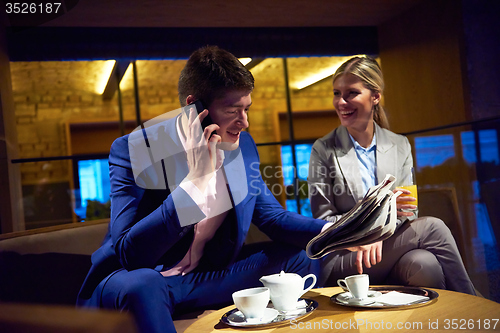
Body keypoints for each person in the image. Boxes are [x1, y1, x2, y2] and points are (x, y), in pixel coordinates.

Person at [76, 46, 328, 333]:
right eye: (233, 111)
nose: (244, 122)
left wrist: (337, 230)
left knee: (301, 257)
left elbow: (272, 217)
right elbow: (130, 255)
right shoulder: (136, 149)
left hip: (204, 278)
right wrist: (194, 183)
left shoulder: (242, 147)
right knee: (144, 284)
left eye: (246, 109)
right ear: (194, 107)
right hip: (144, 278)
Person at [307, 56, 476, 295]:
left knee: (424, 264)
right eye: (337, 93)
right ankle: (474, 307)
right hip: (345, 258)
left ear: (375, 96)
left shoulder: (399, 145)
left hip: (389, 250)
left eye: (351, 93)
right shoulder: (323, 149)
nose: (341, 102)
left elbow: (409, 210)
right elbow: (324, 221)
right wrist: (373, 226)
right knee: (433, 227)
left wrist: (382, 232)